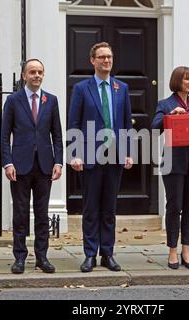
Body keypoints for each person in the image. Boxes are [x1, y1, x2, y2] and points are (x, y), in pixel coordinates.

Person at [68, 42, 133, 273]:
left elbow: (126, 122)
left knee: (109, 208)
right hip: (90, 157)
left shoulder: (121, 88)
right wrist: (74, 154)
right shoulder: (82, 88)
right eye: (102, 57)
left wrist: (128, 151)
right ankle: (89, 255)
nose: (106, 61)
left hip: (114, 156)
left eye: (109, 57)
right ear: (92, 61)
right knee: (91, 208)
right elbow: (74, 122)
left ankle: (107, 254)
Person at [1, 59, 63, 274]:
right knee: (20, 213)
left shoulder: (51, 100)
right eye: (32, 72)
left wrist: (58, 161)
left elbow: (57, 134)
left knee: (42, 213)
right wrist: (7, 162)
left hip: (44, 165)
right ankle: (19, 257)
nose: (37, 75)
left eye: (40, 72)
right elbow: (4, 135)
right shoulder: (13, 100)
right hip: (19, 166)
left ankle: (42, 257)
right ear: (24, 76)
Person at [151, 66, 189, 270]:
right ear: (177, 81)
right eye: (187, 79)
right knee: (174, 206)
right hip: (173, 162)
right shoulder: (165, 104)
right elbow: (154, 127)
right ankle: (172, 251)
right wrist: (171, 115)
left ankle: (187, 249)